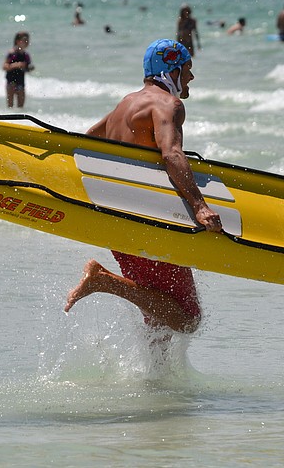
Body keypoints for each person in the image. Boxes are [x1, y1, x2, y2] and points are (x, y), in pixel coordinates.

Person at [64, 39, 223, 333]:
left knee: (158, 312)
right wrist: (200, 206)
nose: (191, 77)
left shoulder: (125, 104)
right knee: (187, 319)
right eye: (187, 69)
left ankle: (157, 378)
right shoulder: (169, 105)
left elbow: (86, 142)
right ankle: (103, 281)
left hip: (117, 220)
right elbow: (171, 154)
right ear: (171, 71)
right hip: (148, 224)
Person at [3, 31, 33, 108]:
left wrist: (28, 68)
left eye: (28, 40)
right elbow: (5, 67)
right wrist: (16, 65)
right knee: (10, 106)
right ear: (17, 41)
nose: (27, 42)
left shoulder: (26, 55)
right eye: (24, 40)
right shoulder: (12, 53)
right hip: (11, 81)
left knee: (21, 107)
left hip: (21, 81)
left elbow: (27, 68)